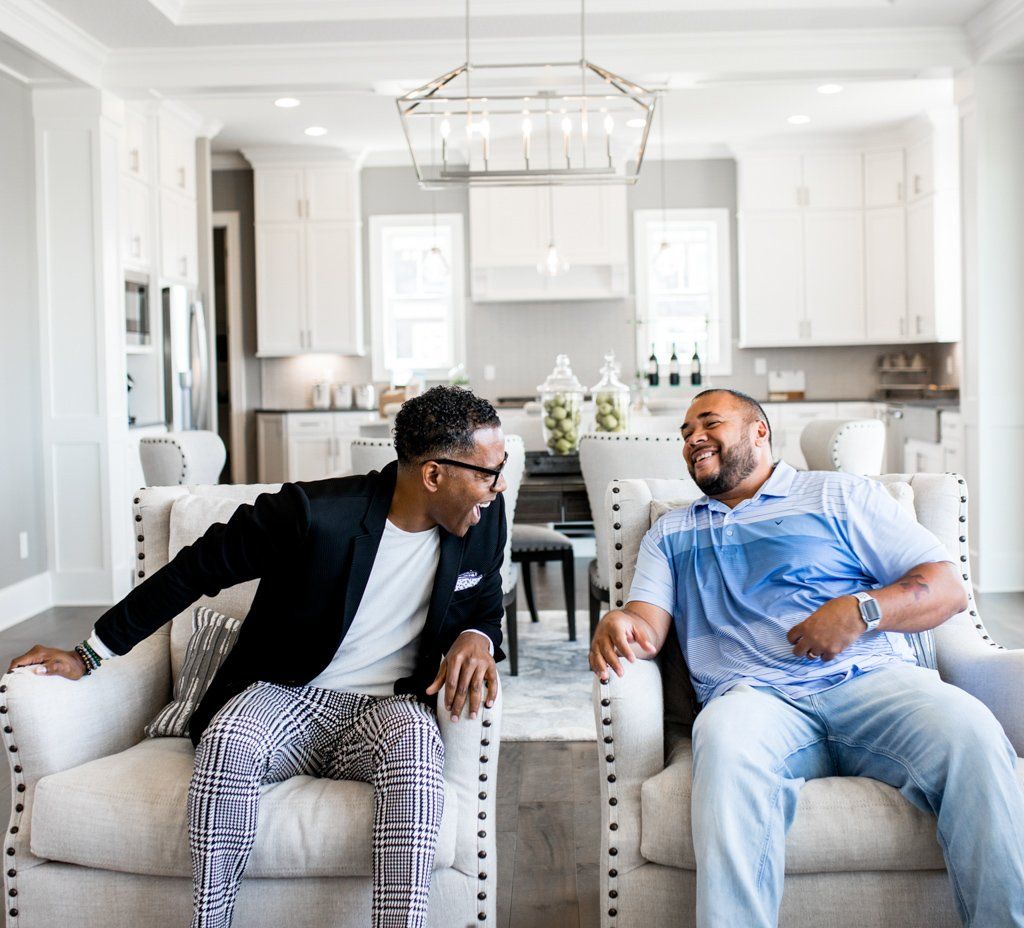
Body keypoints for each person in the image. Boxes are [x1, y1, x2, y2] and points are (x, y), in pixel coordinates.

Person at [9, 385, 510, 928]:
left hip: (389, 708)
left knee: (416, 752)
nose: (498, 484)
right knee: (230, 738)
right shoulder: (312, 513)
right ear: (433, 474)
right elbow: (192, 571)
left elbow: (482, 602)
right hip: (285, 695)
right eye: (487, 472)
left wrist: (477, 637)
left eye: (499, 467)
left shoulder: (483, 515)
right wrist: (90, 652)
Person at [589, 388, 1024, 928]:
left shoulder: (840, 495)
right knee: (722, 746)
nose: (691, 438)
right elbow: (645, 630)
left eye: (708, 423)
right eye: (684, 433)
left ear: (759, 431)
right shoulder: (671, 533)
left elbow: (945, 588)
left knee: (974, 734)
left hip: (875, 682)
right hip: (752, 700)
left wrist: (861, 610)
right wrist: (618, 620)